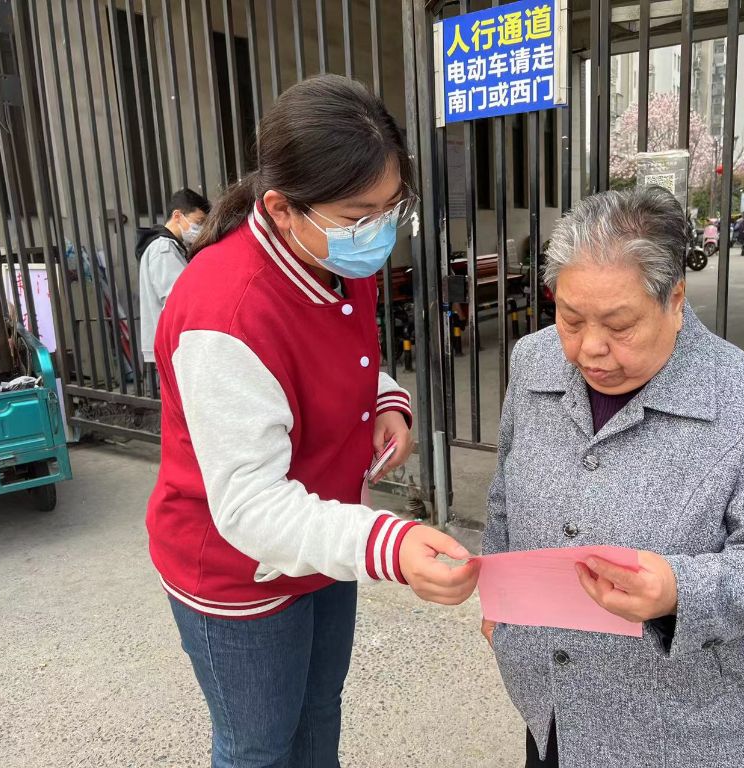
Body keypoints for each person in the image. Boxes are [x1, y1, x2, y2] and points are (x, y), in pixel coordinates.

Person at [146, 75, 479, 768]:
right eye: (359, 214)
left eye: (391, 208)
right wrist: (391, 543)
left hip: (323, 540)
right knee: (259, 747)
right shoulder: (225, 313)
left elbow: (337, 358)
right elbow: (251, 504)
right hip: (239, 567)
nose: (378, 231)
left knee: (319, 710)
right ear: (280, 207)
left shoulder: (331, 254)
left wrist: (385, 400)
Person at [481, 187, 744, 768]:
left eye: (620, 326)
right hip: (549, 700)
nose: (591, 350)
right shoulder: (535, 360)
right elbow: (505, 496)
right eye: (570, 319)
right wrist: (500, 597)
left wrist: (678, 591)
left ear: (675, 299)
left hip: (678, 728)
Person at [136, 187, 211, 380]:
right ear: (177, 216)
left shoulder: (167, 246)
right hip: (172, 345)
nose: (201, 228)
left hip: (168, 343)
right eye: (199, 222)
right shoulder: (164, 248)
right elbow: (179, 299)